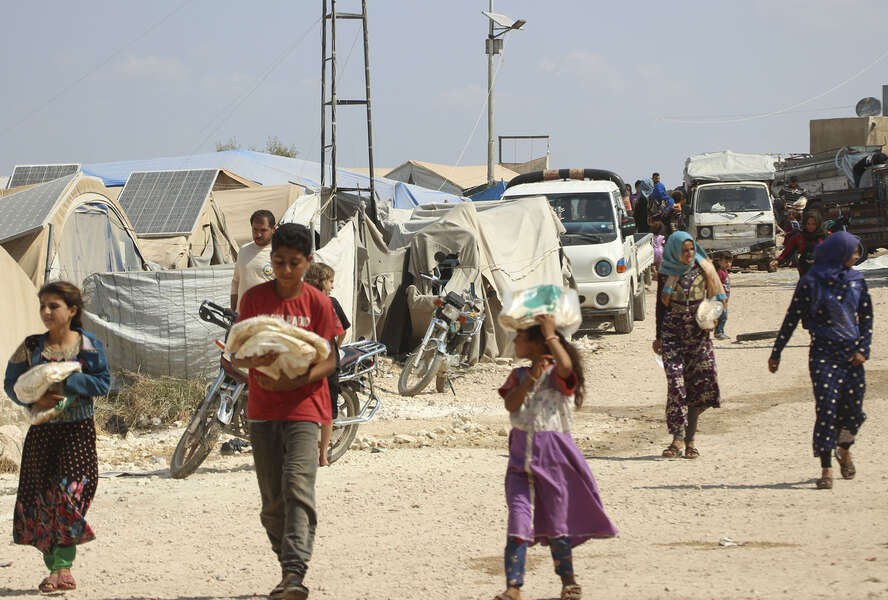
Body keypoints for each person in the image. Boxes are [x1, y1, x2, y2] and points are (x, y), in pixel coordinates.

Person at [231, 223, 344, 600]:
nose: (286, 270)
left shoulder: (318, 303)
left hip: (305, 407)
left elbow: (331, 359)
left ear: (307, 261)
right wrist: (252, 360)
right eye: (279, 262)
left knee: (297, 485)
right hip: (262, 409)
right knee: (272, 503)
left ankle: (294, 572)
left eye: (294, 263)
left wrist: (298, 381)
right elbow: (234, 355)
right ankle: (288, 568)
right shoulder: (254, 301)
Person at [494, 314, 617, 600]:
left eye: (520, 337)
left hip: (554, 459)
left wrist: (551, 334)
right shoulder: (520, 375)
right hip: (519, 462)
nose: (514, 342)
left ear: (537, 342)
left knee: (558, 523)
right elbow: (511, 404)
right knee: (518, 520)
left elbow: (565, 366)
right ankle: (514, 587)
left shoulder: (558, 375)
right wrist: (531, 378)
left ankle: (569, 582)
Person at [4, 281, 110, 593]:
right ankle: (59, 569)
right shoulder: (30, 347)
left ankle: (61, 564)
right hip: (42, 434)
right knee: (45, 501)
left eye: (54, 306)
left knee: (69, 496)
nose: (46, 312)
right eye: (43, 306)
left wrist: (68, 382)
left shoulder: (88, 346)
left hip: (77, 434)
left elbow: (102, 383)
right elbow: (12, 383)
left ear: (73, 310)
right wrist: (32, 397)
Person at [768, 232, 872, 490]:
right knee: (826, 408)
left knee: (854, 412)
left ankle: (844, 447)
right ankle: (826, 468)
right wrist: (777, 351)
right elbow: (792, 317)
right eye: (853, 252)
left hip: (852, 356)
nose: (857, 257)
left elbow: (866, 318)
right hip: (823, 354)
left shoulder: (857, 280)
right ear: (839, 252)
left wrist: (864, 349)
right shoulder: (811, 282)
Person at [653, 232, 726, 458]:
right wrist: (658, 337)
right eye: (684, 250)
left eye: (691, 249)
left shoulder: (705, 270)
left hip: (698, 337)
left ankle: (690, 440)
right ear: (675, 251)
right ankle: (676, 439)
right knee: (676, 386)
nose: (689, 254)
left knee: (698, 387)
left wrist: (714, 318)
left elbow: (719, 298)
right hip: (672, 336)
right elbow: (660, 308)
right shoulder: (666, 273)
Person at [303, 262, 350, 467]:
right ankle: (323, 455)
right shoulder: (330, 303)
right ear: (321, 281)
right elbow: (342, 331)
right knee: (327, 411)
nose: (332, 286)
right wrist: (335, 347)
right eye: (330, 281)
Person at [231, 209, 276, 312]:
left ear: (273, 229)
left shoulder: (281, 255)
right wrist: (233, 311)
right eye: (255, 230)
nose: (258, 234)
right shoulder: (243, 251)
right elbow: (236, 282)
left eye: (263, 230)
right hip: (243, 319)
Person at [770, 211, 827, 276]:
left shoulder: (825, 236)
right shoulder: (799, 237)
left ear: (818, 224)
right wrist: (778, 261)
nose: (810, 226)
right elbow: (788, 251)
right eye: (808, 224)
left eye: (813, 224)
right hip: (804, 269)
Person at [714, 252, 733, 340]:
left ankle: (719, 331)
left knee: (721, 316)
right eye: (726, 262)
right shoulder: (720, 273)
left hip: (724, 299)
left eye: (730, 262)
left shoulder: (725, 272)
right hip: (719, 299)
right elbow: (717, 285)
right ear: (719, 262)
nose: (728, 264)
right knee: (723, 316)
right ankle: (719, 332)